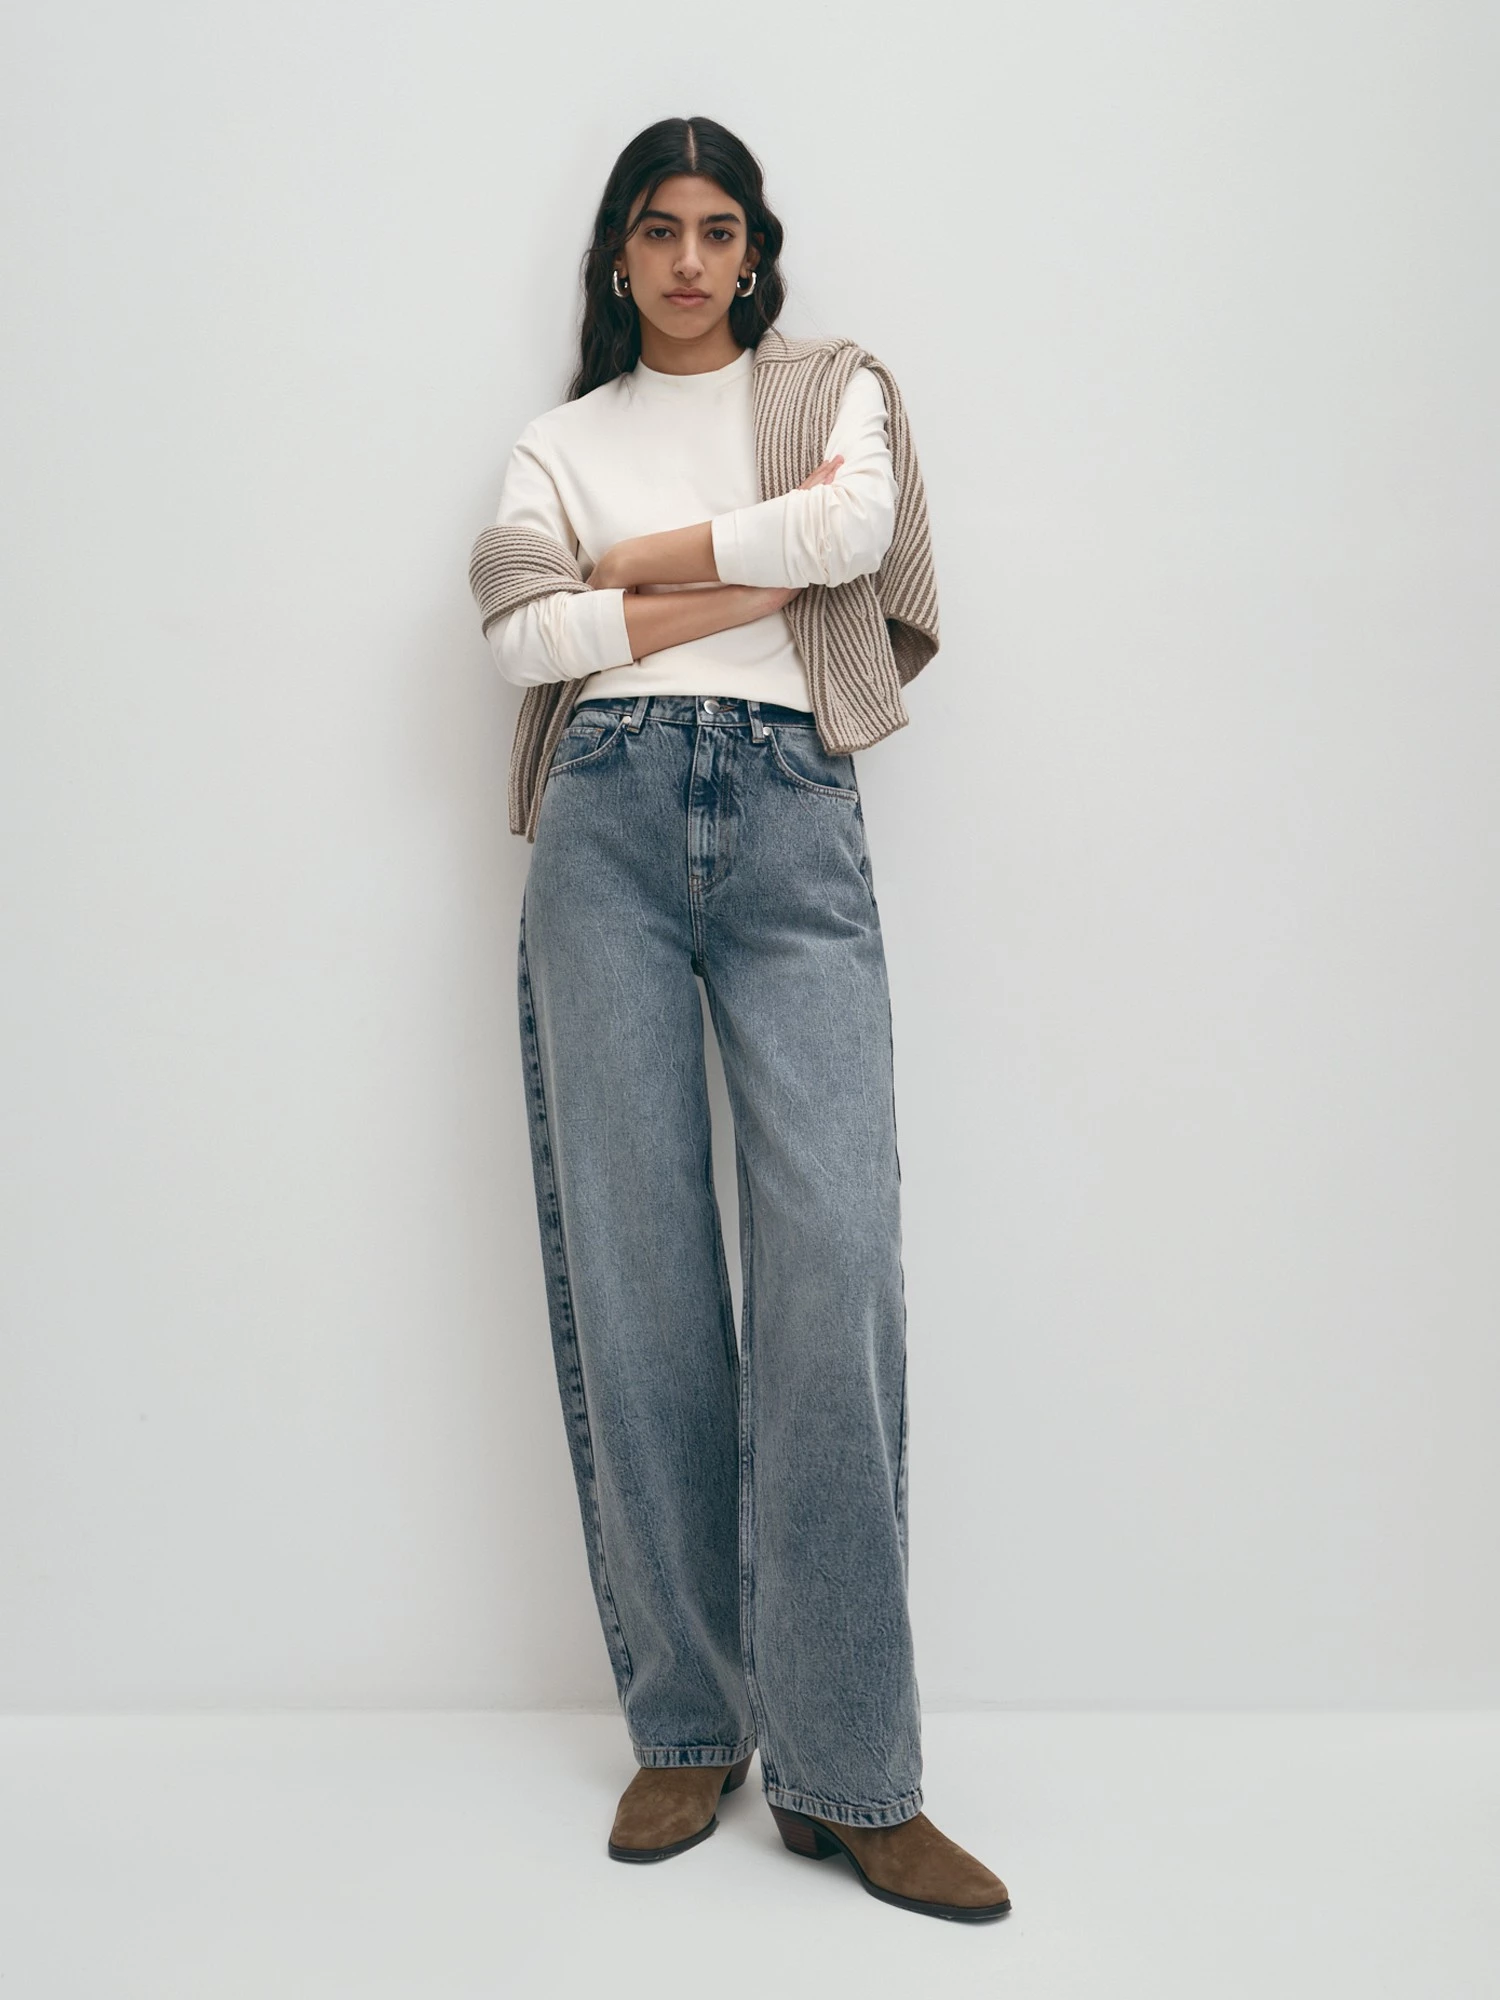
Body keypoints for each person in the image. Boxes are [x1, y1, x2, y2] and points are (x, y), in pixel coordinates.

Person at [470, 115, 1011, 1925]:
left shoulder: (831, 387)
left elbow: (853, 529)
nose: (691, 260)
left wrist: (637, 565)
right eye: (658, 230)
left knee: (832, 1266)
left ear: (753, 251)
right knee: (639, 1277)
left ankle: (855, 1776)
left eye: (719, 230)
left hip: (790, 818)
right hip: (608, 827)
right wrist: (739, 583)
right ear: (618, 258)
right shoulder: (559, 440)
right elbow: (517, 636)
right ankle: (690, 1723)